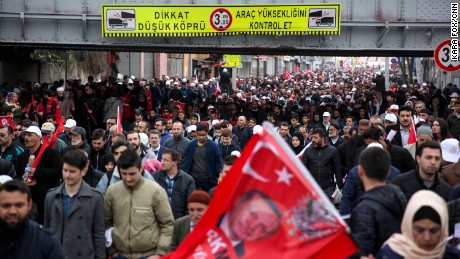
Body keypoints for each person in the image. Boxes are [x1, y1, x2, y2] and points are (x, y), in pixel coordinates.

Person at [104, 149, 174, 259]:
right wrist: (112, 250)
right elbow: (106, 222)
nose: (128, 178)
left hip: (149, 255)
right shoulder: (112, 192)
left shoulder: (156, 191)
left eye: (132, 174)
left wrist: (160, 253)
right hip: (120, 255)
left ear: (141, 169)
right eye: (124, 174)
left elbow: (167, 224)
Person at [44, 148, 105, 259]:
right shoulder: (51, 197)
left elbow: (99, 234)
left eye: (72, 171)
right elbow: (47, 231)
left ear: (83, 171)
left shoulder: (95, 198)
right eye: (65, 170)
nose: (67, 175)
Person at [349, 146, 407, 258]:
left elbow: (362, 251)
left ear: (360, 171)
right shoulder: (399, 196)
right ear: (388, 172)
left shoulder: (364, 209)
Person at [377, 190, 460, 258]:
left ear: (443, 229)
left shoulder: (452, 256)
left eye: (434, 231)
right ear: (408, 227)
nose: (427, 238)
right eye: (419, 230)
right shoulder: (390, 254)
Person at [0, 180, 65, 259]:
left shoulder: (47, 242)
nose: (12, 211)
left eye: (19, 205)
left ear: (29, 205)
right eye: (6, 206)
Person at [15, 126, 63, 224]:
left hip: (46, 200)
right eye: (25, 135)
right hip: (28, 199)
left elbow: (59, 172)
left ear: (39, 137)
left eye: (30, 135)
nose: (26, 138)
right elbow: (17, 175)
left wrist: (38, 172)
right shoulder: (21, 157)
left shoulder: (51, 153)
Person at [217, 189, 282, 258]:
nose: (252, 226)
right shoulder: (208, 215)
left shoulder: (241, 256)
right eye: (253, 214)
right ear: (238, 201)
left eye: (263, 227)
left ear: (264, 236)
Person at [301, 128, 343, 198]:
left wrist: (340, 184)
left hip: (328, 188)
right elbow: (302, 168)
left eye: (316, 137)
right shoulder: (308, 151)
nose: (313, 140)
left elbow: (337, 168)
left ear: (322, 138)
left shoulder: (332, 150)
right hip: (312, 187)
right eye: (312, 137)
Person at [153, 150, 195, 219]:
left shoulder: (187, 180)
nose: (162, 163)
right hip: (159, 220)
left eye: (166, 160)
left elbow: (190, 204)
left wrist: (184, 222)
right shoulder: (155, 176)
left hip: (178, 220)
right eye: (162, 159)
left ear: (175, 162)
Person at [183, 123, 222, 192]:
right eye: (199, 135)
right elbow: (186, 159)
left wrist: (220, 175)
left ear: (207, 133)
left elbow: (218, 161)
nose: (201, 137)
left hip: (208, 178)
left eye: (203, 135)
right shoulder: (191, 144)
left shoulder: (213, 146)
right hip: (193, 177)